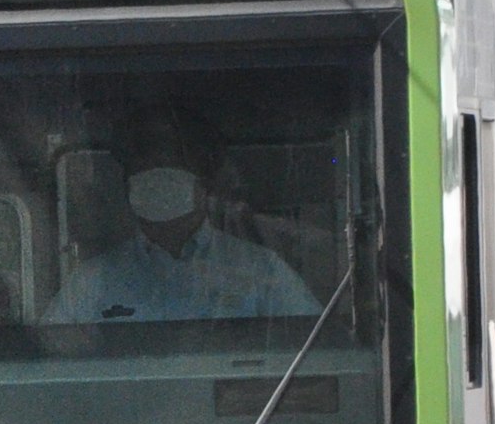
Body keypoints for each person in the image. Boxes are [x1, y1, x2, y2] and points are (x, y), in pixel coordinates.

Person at [47, 128, 316, 323]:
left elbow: (314, 355)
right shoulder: (90, 284)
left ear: (205, 183)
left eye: (171, 167)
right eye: (144, 169)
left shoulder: (263, 272)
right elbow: (53, 369)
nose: (158, 183)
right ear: (127, 186)